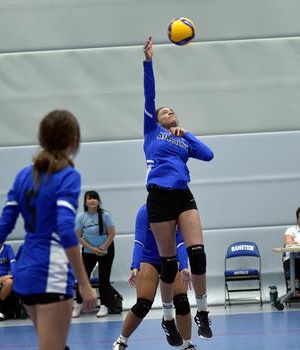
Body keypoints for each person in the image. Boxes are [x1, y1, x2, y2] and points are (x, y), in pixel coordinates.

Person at [0, 110, 97, 350]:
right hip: (51, 273)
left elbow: (0, 232)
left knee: (54, 344)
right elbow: (65, 229)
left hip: (26, 274)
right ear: (74, 141)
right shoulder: (67, 176)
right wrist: (84, 284)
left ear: (41, 139)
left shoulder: (24, 176)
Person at [142, 37, 214, 339]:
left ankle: (203, 312)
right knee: (169, 263)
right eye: (164, 111)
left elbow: (208, 155)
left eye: (172, 111)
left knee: (197, 254)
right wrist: (148, 63)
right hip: (158, 198)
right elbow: (150, 96)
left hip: (183, 196)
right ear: (157, 119)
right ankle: (168, 317)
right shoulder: (152, 131)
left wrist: (190, 136)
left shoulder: (184, 139)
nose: (169, 112)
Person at [113, 204, 197, 350]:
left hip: (172, 258)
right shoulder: (145, 212)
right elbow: (139, 241)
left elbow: (181, 242)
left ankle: (187, 345)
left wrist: (184, 266)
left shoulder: (177, 210)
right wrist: (135, 266)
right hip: (150, 259)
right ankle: (121, 341)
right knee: (143, 304)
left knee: (182, 301)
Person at [73, 190, 116, 318]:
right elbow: (79, 236)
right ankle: (79, 305)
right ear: (85, 202)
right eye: (89, 198)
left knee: (104, 279)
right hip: (88, 251)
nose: (92, 201)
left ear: (98, 201)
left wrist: (102, 248)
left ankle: (104, 306)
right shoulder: (81, 217)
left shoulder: (105, 215)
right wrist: (92, 249)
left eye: (94, 198)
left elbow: (112, 233)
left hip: (106, 250)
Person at [283, 207, 300, 292]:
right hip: (292, 259)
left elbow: (295, 242)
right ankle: (294, 287)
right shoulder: (291, 230)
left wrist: (296, 241)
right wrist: (294, 242)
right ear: (297, 219)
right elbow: (289, 242)